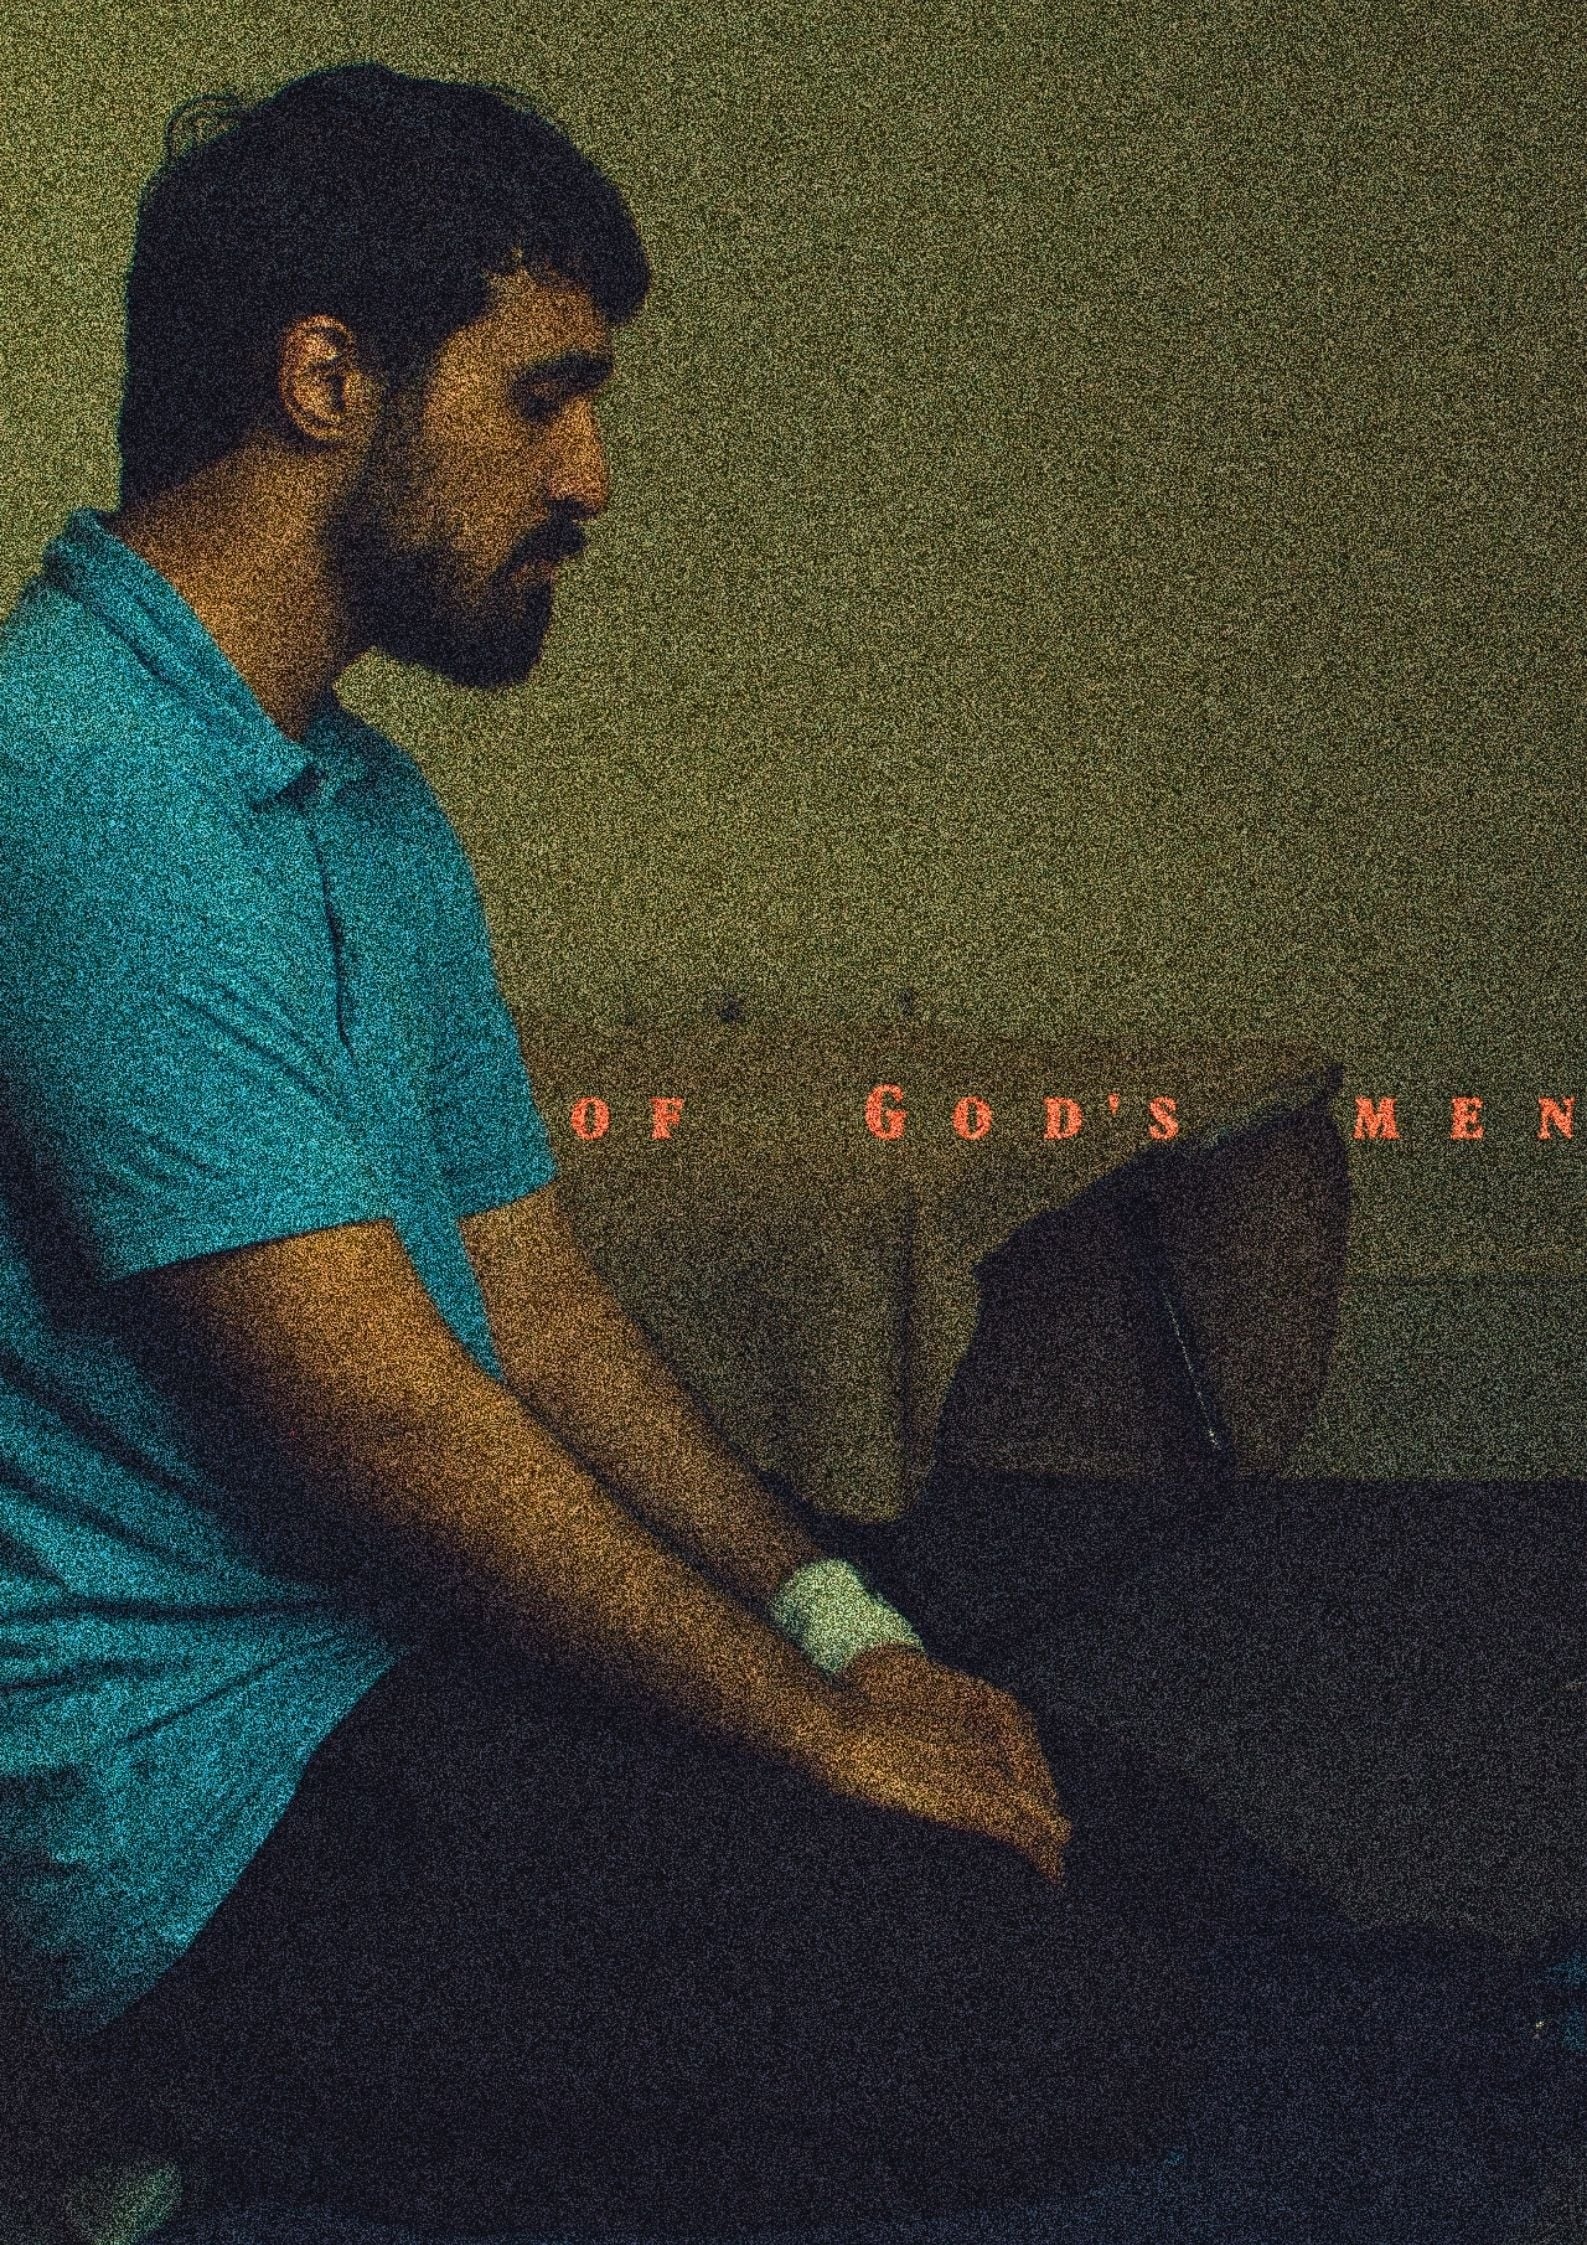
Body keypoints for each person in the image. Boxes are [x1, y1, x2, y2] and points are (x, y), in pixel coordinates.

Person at [0, 62, 1577, 2243]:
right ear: (326, 378)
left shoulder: (358, 802)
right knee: (1068, 2029)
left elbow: (537, 1304)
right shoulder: (72, 778)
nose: (592, 474)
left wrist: (849, 1632)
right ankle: (209, 2160)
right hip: (213, 1816)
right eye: (544, 396)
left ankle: (1500, 2047)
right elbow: (381, 1418)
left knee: (1089, 1820)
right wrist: (815, 1737)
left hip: (415, 1661)